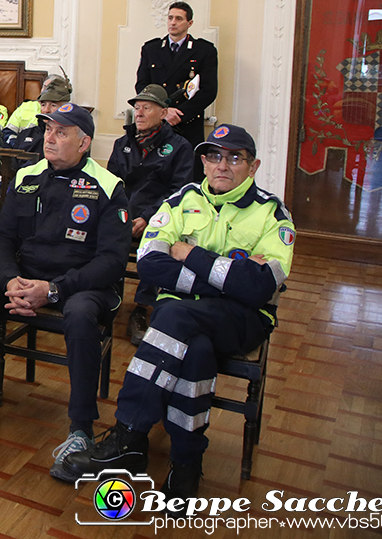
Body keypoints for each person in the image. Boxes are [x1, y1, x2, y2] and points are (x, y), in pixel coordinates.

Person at [60, 124, 294, 503]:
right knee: (195, 349)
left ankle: (129, 434)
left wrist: (191, 254)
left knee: (173, 319)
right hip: (192, 313)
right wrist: (228, 278)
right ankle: (186, 464)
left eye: (235, 157)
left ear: (253, 166)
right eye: (214, 156)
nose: (222, 165)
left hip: (243, 320)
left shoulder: (272, 213)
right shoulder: (180, 200)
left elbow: (259, 288)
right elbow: (151, 265)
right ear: (203, 161)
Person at [0, 103, 129, 483]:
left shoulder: (108, 187)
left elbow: (112, 262)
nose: (49, 138)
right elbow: (1, 237)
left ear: (84, 142)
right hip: (25, 276)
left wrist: (54, 290)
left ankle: (80, 430)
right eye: (48, 130)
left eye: (61, 132)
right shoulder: (27, 176)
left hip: (81, 285)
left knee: (81, 315)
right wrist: (9, 280)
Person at [107, 84, 195, 345]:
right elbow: (111, 184)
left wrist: (147, 217)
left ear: (164, 112)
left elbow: (179, 192)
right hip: (123, 214)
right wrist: (119, 214)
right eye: (137, 108)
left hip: (158, 217)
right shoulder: (122, 143)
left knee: (155, 243)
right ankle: (107, 297)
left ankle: (141, 309)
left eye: (147, 107)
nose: (140, 113)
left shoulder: (179, 147)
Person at [136, 1, 217, 148]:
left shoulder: (204, 51)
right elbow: (142, 85)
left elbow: (208, 91)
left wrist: (180, 114)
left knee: (186, 168)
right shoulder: (151, 49)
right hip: (155, 122)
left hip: (187, 124)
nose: (173, 22)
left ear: (189, 23)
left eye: (179, 19)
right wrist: (163, 112)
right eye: (170, 18)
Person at [4, 75, 71, 152]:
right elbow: (8, 133)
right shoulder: (27, 133)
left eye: (53, 105)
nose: (46, 110)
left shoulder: (71, 135)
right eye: (43, 104)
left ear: (65, 107)